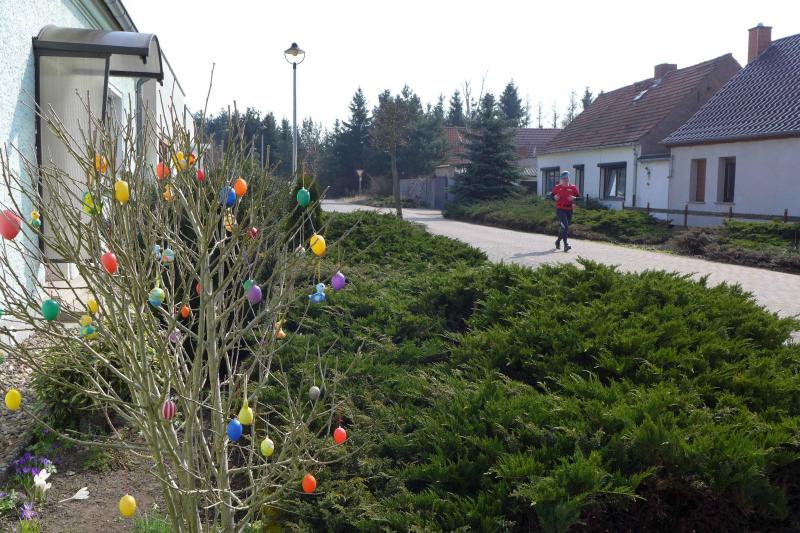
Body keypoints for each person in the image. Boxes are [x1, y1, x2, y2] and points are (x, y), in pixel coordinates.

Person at [549, 171, 580, 252]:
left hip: (569, 210)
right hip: (560, 209)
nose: (566, 180)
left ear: (569, 178)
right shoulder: (557, 187)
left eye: (567, 178)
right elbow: (551, 196)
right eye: (564, 179)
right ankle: (566, 245)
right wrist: (554, 197)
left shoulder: (573, 187)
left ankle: (558, 241)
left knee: (564, 228)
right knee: (565, 226)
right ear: (561, 180)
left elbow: (579, 198)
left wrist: (575, 198)